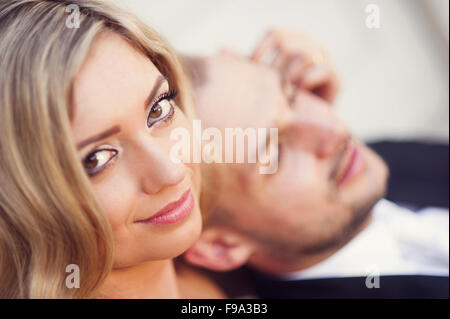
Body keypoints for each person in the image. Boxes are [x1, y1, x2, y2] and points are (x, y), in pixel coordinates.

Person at [183, 30, 449, 298]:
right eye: (277, 153)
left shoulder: (381, 158)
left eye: (292, 95)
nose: (333, 129)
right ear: (221, 246)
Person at [0, 0, 224, 298]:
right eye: (97, 158)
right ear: (19, 203)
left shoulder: (228, 262)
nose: (171, 170)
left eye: (158, 111)